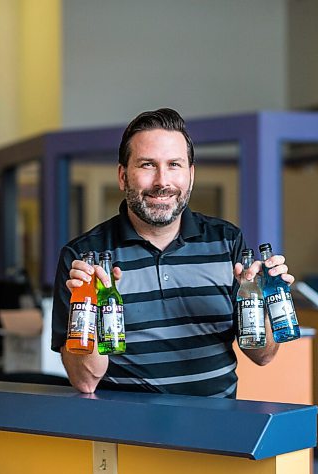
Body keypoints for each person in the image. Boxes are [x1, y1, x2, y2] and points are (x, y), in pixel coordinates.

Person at [52, 108, 293, 396]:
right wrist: (92, 305)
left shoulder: (227, 242)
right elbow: (85, 381)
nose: (162, 181)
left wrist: (262, 297)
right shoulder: (83, 258)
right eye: (147, 165)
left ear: (190, 175)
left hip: (216, 430)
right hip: (124, 432)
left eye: (174, 165)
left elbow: (262, 356)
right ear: (122, 176)